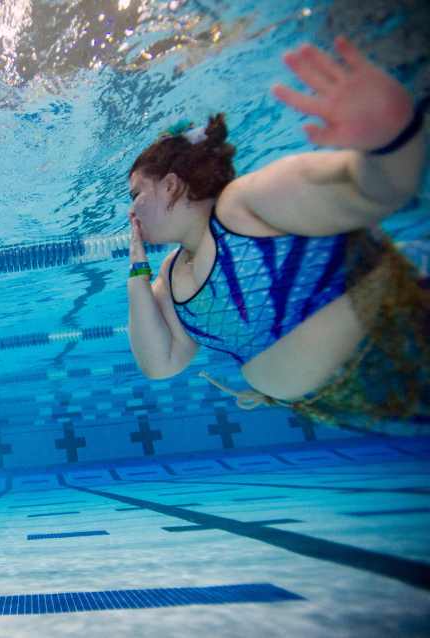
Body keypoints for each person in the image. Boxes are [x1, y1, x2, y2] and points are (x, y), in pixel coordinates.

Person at [126, 36, 429, 432]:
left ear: (169, 185)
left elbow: (373, 191)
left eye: (136, 195)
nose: (131, 210)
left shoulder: (244, 204)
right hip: (373, 402)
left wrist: (391, 138)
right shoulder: (169, 276)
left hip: (405, 338)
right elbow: (160, 363)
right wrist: (138, 271)